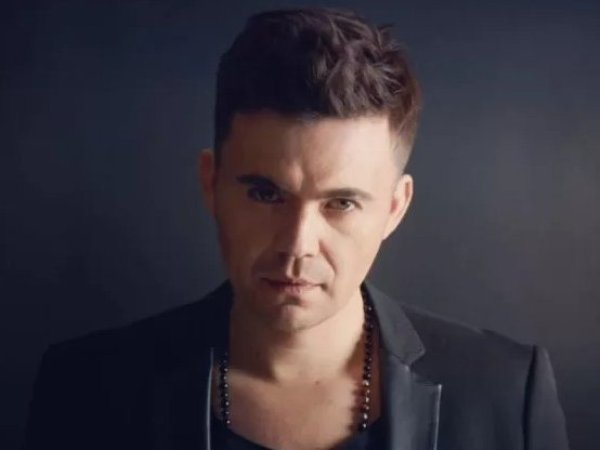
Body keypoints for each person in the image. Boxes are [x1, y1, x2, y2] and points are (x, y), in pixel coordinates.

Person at [23, 7, 569, 450]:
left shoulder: (505, 393)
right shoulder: (85, 390)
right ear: (211, 184)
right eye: (266, 194)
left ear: (394, 208)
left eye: (341, 203)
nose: (296, 245)